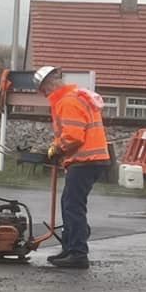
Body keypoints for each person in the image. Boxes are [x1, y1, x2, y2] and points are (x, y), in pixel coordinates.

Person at [36, 65, 109, 267]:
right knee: (70, 203)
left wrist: (56, 148)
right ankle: (69, 248)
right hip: (90, 160)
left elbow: (73, 136)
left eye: (43, 90)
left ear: (49, 84)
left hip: (85, 160)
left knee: (73, 206)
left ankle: (77, 253)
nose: (44, 95)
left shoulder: (67, 101)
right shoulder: (76, 97)